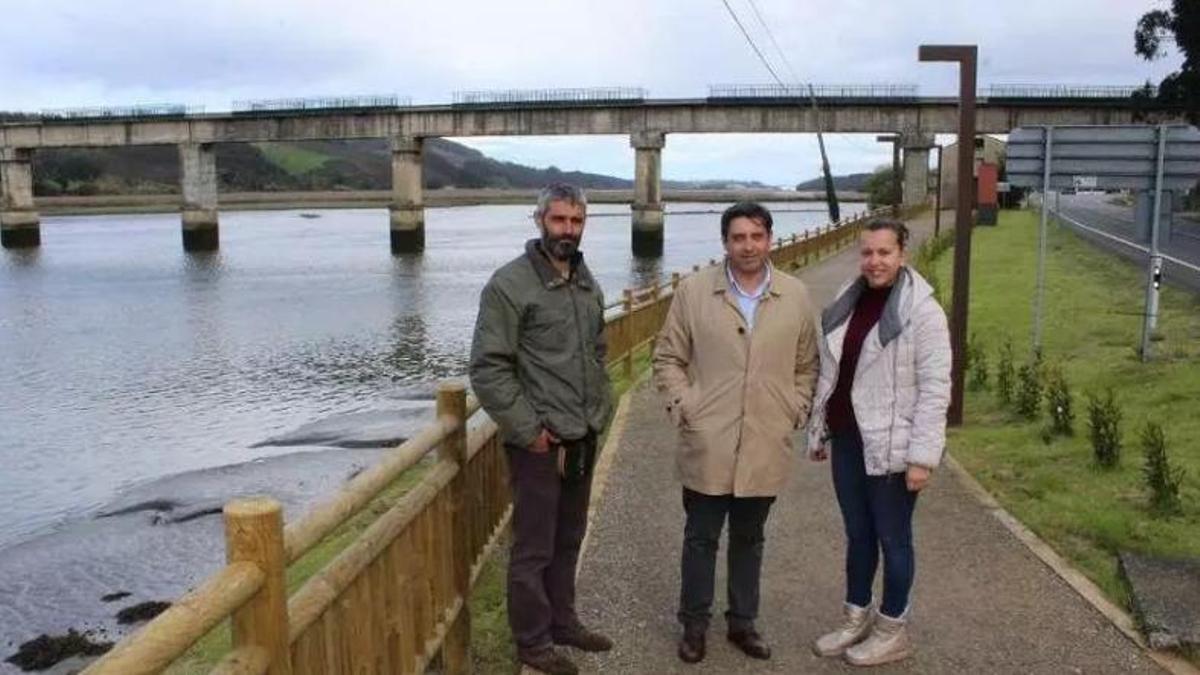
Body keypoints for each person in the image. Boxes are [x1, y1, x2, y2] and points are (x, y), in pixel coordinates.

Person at [653, 201, 820, 664]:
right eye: (738, 237)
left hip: (765, 438)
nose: (748, 246)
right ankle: (694, 625)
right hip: (709, 439)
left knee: (750, 538)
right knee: (700, 537)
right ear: (725, 242)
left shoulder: (795, 295)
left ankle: (743, 623)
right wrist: (686, 406)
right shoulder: (694, 291)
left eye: (756, 236)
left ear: (770, 239)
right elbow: (668, 358)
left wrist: (795, 408)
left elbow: (807, 365)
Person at [469, 183, 614, 675]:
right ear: (539, 221)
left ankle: (563, 622)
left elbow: (597, 348)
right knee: (533, 548)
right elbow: (488, 367)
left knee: (570, 535)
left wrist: (600, 407)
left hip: (582, 434)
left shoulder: (585, 281)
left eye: (576, 221)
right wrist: (530, 430)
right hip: (538, 443)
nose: (568, 230)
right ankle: (532, 642)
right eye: (559, 220)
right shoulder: (509, 285)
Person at [806, 218, 951, 666]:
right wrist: (819, 428)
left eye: (884, 252)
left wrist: (922, 457)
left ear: (902, 254)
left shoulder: (922, 312)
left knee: (893, 538)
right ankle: (856, 618)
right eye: (867, 252)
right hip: (849, 438)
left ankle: (892, 629)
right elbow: (832, 372)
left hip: (894, 447)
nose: (874, 261)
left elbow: (936, 388)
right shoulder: (847, 300)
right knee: (858, 535)